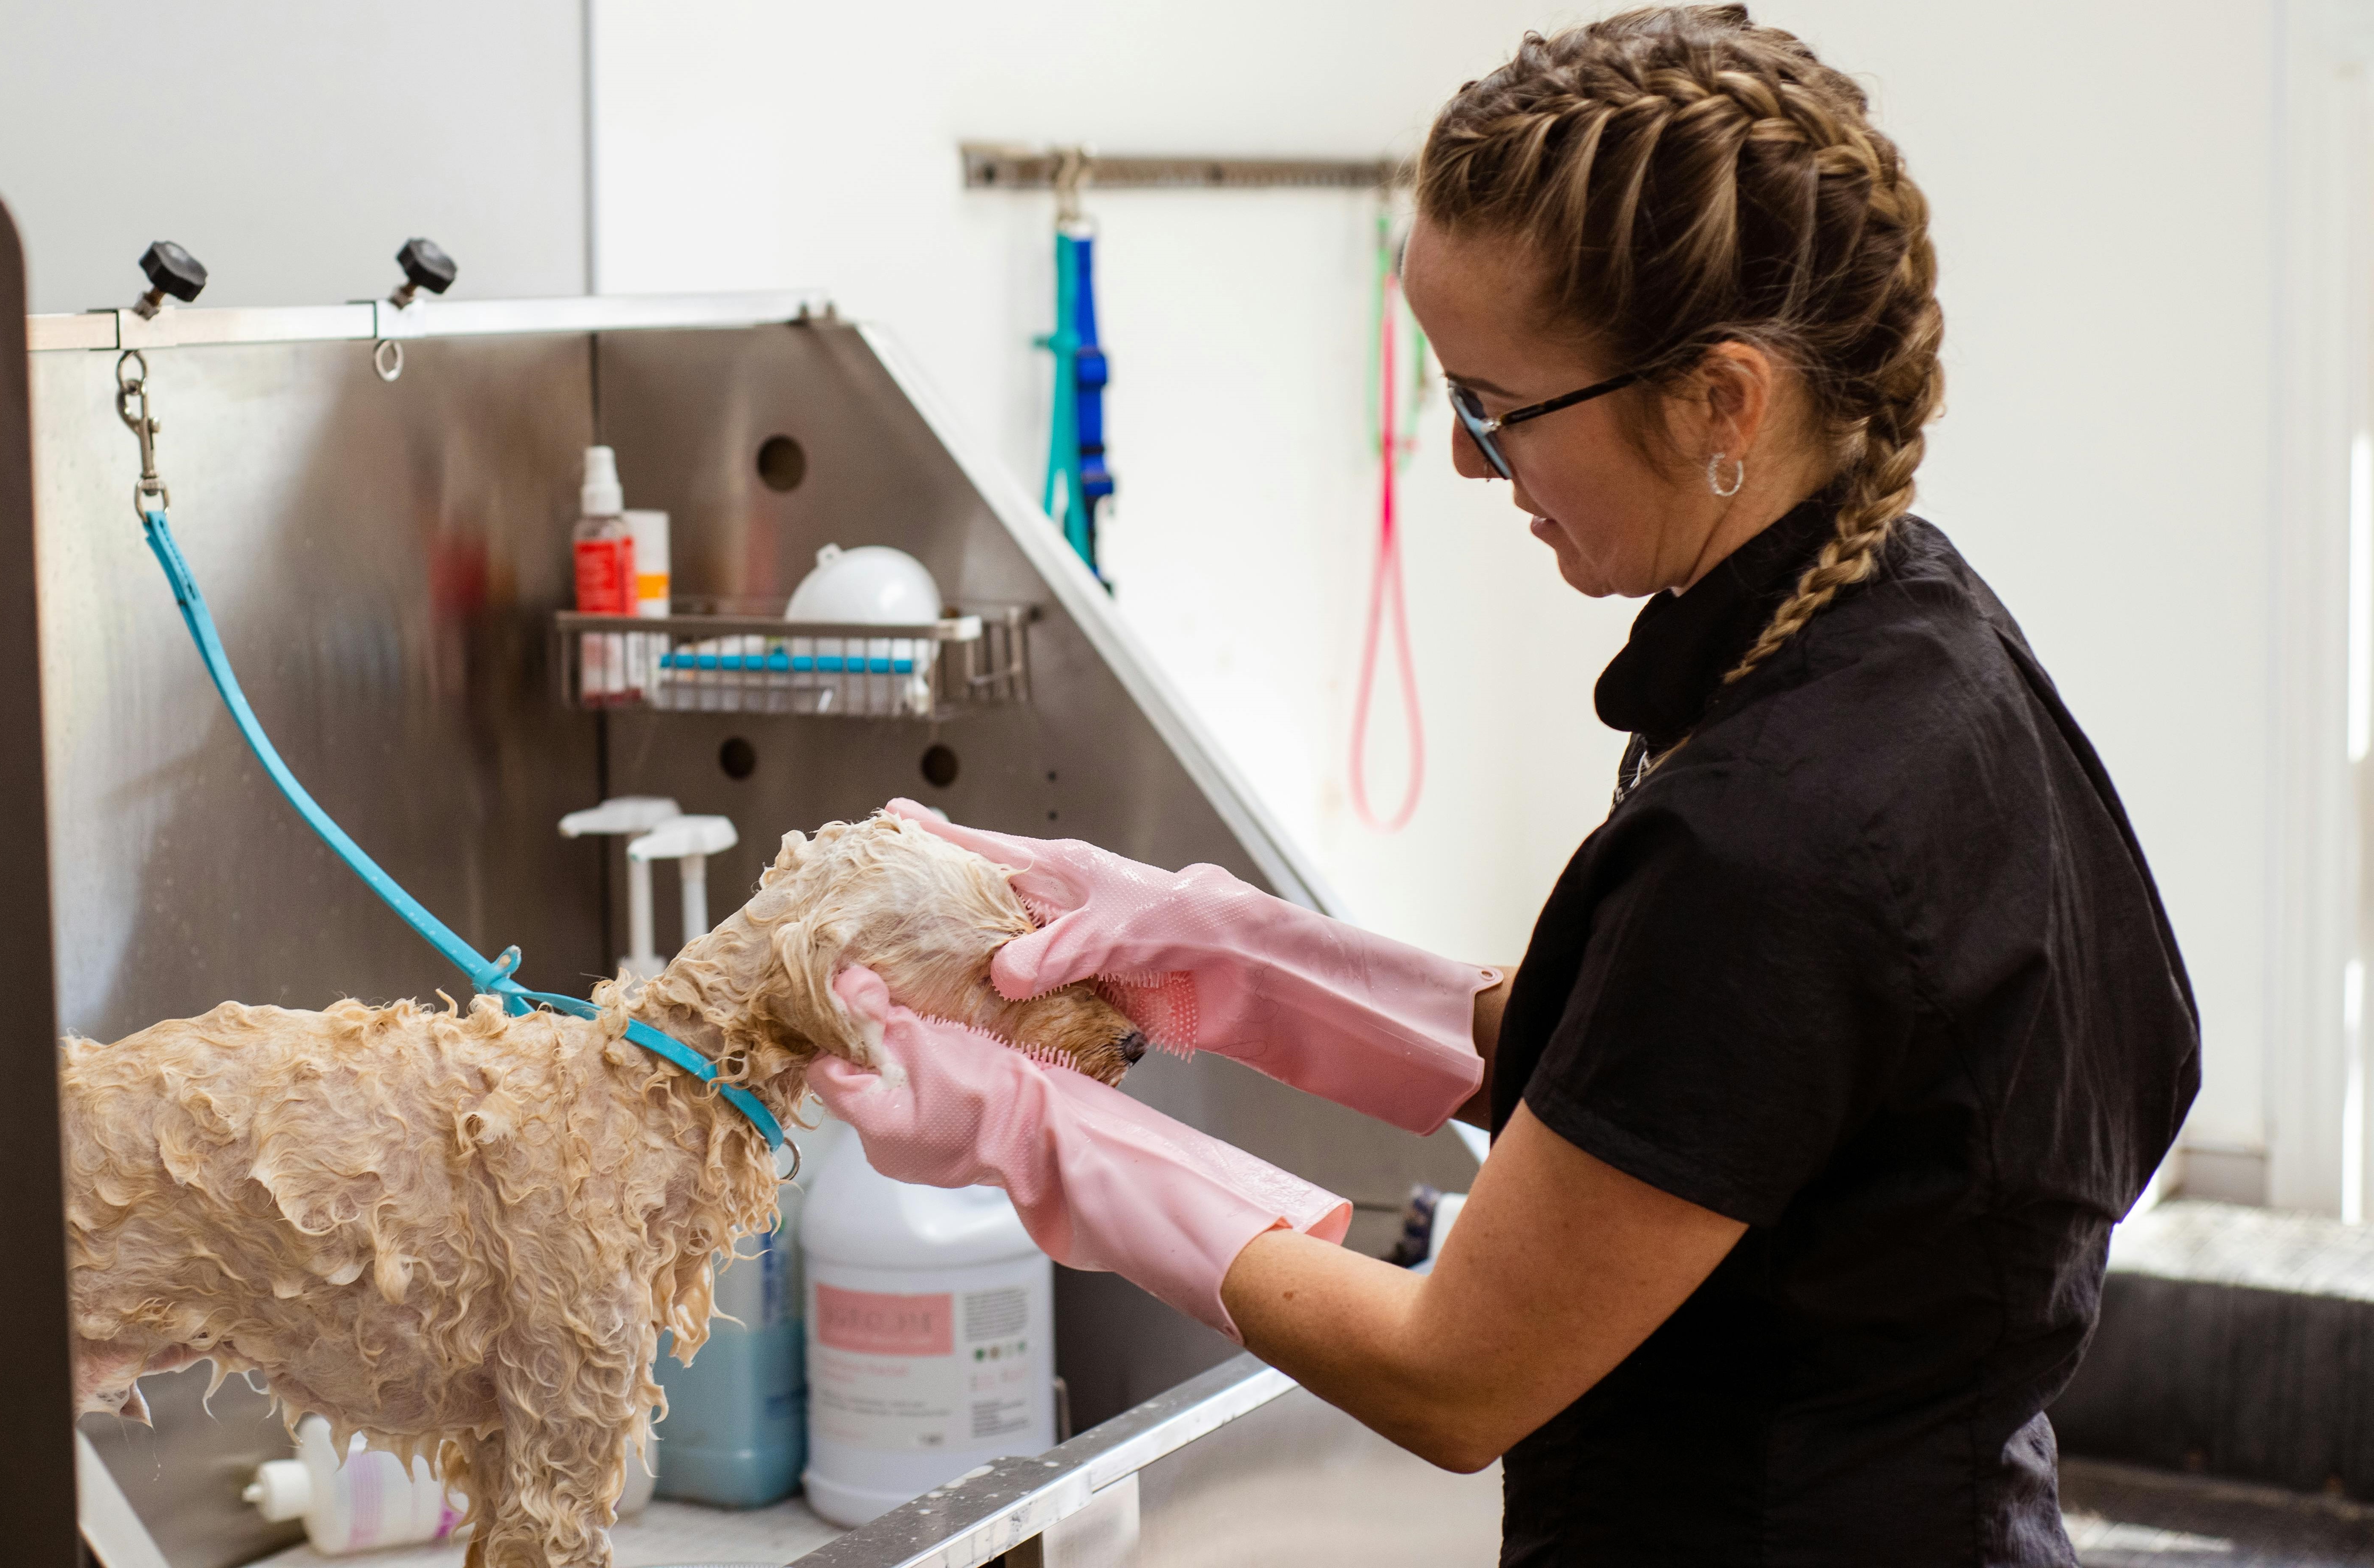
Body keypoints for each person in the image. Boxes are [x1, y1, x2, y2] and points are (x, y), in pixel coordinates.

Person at [808, 8, 2199, 1562]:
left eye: (1497, 407)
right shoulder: (1905, 632)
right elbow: (1661, 1061)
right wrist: (1214, 952)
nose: (1473, 466)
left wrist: (1044, 1131)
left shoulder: (1791, 829)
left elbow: (1451, 1371)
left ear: (1722, 402)